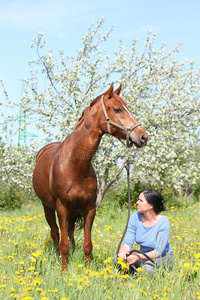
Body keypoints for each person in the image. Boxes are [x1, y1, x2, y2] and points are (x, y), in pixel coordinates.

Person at [116, 189, 174, 275]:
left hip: (162, 256)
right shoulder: (135, 217)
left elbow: (158, 251)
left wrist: (138, 257)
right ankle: (130, 276)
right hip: (142, 255)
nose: (137, 202)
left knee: (148, 269)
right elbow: (128, 241)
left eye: (141, 200)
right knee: (118, 259)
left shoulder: (163, 222)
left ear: (150, 205)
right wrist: (123, 252)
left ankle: (156, 274)